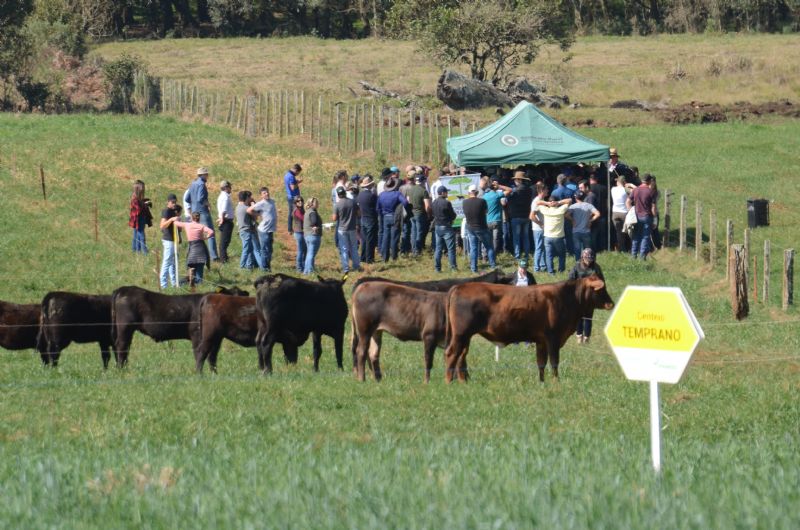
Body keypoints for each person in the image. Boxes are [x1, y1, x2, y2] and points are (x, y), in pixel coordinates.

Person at [167, 211, 214, 285]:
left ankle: (191, 278)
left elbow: (175, 223)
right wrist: (205, 237)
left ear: (192, 218)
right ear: (199, 218)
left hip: (192, 248)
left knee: (192, 266)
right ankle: (198, 282)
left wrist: (175, 218)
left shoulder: (187, 225)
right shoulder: (201, 226)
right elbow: (211, 232)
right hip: (200, 248)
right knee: (199, 270)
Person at [568, 248, 605, 343]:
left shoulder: (596, 267)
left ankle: (587, 338)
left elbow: (602, 281)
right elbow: (570, 281)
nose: (589, 261)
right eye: (587, 259)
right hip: (578, 296)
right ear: (582, 258)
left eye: (591, 259)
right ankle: (579, 336)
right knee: (578, 317)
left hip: (591, 297)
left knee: (588, 318)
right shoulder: (576, 267)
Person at [533, 196, 572, 274]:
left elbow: (537, 202)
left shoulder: (545, 210)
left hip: (547, 237)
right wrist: (558, 202)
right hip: (558, 237)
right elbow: (570, 200)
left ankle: (550, 272)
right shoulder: (561, 210)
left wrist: (547, 203)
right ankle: (561, 270)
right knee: (561, 254)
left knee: (549, 255)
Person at [462, 184, 496, 273]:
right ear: (477, 192)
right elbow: (486, 212)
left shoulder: (464, 202)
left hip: (470, 227)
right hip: (482, 227)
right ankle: (492, 265)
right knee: (489, 247)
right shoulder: (482, 201)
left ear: (468, 193)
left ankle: (474, 268)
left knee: (473, 248)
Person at [188, 167, 218, 262]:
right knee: (210, 233)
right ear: (203, 175)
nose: (207, 176)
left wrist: (193, 205)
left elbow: (187, 198)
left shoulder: (192, 184)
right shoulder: (201, 184)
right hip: (202, 212)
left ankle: (194, 254)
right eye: (206, 174)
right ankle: (214, 256)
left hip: (194, 212)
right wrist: (207, 204)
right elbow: (200, 198)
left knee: (196, 233)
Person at [504, 170, 534, 261]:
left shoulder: (515, 190)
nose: (514, 181)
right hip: (526, 215)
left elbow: (508, 199)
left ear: (519, 180)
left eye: (516, 179)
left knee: (516, 238)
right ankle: (527, 254)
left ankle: (517, 256)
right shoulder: (529, 190)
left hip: (516, 216)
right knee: (526, 237)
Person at [627, 173, 657, 259]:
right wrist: (655, 219)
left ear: (642, 180)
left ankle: (633, 255)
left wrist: (631, 211)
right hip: (647, 216)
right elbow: (653, 207)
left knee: (636, 236)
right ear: (649, 181)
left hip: (637, 216)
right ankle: (642, 256)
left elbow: (628, 202)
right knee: (645, 237)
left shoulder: (635, 190)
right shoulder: (651, 192)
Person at [377, 178, 408, 262]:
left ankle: (385, 257)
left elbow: (378, 208)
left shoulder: (381, 195)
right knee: (394, 237)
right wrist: (399, 207)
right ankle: (394, 256)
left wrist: (382, 214)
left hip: (385, 217)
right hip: (395, 216)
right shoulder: (397, 194)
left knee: (385, 237)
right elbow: (405, 202)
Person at [247, 187, 277, 272]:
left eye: (267, 192)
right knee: (264, 250)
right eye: (264, 193)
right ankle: (264, 269)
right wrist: (257, 214)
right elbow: (249, 210)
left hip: (270, 230)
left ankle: (268, 267)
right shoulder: (261, 203)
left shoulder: (272, 201)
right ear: (261, 195)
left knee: (270, 250)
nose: (267, 194)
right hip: (264, 231)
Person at [333, 185, 361, 273]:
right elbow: (359, 214)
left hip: (342, 229)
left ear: (338, 195)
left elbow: (334, 218)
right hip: (352, 228)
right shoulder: (353, 202)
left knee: (344, 249)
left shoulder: (337, 205)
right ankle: (356, 266)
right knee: (354, 248)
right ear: (345, 193)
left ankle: (346, 268)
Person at [431, 186, 457, 272]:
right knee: (451, 249)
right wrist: (451, 218)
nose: (447, 193)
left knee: (438, 249)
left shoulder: (433, 202)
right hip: (446, 227)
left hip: (437, 227)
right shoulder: (447, 203)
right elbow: (453, 215)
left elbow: (432, 214)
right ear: (442, 193)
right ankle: (453, 268)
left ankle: (437, 268)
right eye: (446, 192)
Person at [568, 190, 600, 260]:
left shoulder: (573, 206)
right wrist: (590, 220)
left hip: (576, 231)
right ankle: (587, 264)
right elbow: (598, 214)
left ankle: (578, 264)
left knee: (577, 250)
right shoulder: (589, 205)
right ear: (584, 197)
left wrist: (572, 220)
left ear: (575, 198)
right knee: (587, 251)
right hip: (586, 231)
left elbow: (566, 215)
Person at [158, 193, 182, 289]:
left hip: (174, 239)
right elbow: (162, 225)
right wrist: (171, 219)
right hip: (168, 240)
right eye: (172, 202)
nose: (174, 204)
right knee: (167, 261)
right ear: (168, 202)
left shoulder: (173, 211)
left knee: (173, 262)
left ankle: (174, 283)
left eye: (175, 202)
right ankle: (163, 284)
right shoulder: (166, 211)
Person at [405, 172, 431, 257]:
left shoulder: (410, 190)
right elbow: (427, 206)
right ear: (423, 181)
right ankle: (418, 250)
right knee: (419, 232)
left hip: (412, 213)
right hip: (420, 214)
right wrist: (429, 214)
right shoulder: (424, 191)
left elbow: (408, 201)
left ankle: (413, 249)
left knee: (413, 232)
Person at [357, 175, 379, 264]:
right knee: (370, 239)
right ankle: (369, 258)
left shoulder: (360, 195)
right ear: (370, 185)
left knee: (364, 239)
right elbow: (377, 207)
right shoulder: (372, 195)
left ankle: (363, 257)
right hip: (371, 219)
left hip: (363, 218)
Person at [235, 191, 258, 270]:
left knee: (249, 249)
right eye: (249, 197)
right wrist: (253, 204)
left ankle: (249, 266)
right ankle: (242, 266)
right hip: (246, 231)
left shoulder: (238, 207)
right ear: (246, 198)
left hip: (242, 230)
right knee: (246, 249)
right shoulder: (246, 208)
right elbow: (255, 216)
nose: (250, 198)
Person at [128, 179, 152, 254]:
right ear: (138, 189)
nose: (144, 189)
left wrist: (146, 201)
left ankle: (136, 250)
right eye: (142, 188)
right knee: (141, 235)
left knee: (136, 234)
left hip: (139, 218)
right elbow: (138, 209)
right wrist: (145, 204)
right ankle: (144, 251)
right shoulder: (134, 198)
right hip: (138, 219)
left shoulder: (138, 197)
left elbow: (141, 203)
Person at [483, 178, 505, 255]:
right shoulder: (497, 194)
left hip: (487, 220)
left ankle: (485, 255)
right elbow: (510, 190)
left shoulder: (484, 196)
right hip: (496, 220)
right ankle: (494, 255)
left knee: (487, 239)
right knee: (495, 239)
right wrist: (499, 186)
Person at [530, 182, 548, 272]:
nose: (548, 191)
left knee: (542, 248)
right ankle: (536, 268)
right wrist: (541, 224)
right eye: (546, 189)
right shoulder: (536, 202)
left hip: (541, 229)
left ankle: (543, 266)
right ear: (542, 190)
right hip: (538, 229)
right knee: (538, 248)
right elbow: (531, 216)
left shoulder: (542, 200)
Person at [611, 175, 631, 252]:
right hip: (624, 213)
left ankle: (622, 249)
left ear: (618, 182)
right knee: (628, 231)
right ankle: (629, 247)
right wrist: (630, 185)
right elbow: (635, 191)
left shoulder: (613, 189)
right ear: (624, 182)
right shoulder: (626, 189)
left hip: (615, 213)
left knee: (618, 232)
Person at [303, 197, 322, 275]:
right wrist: (316, 226)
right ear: (312, 204)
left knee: (309, 253)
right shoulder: (313, 212)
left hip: (307, 235)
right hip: (314, 235)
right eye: (316, 203)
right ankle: (310, 271)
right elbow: (314, 221)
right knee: (311, 254)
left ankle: (306, 270)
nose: (317, 204)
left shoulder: (307, 212)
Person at [216, 180, 234, 263]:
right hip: (226, 221)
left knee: (225, 241)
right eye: (230, 187)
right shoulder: (225, 197)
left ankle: (224, 257)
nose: (231, 188)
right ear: (226, 187)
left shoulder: (222, 196)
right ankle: (223, 259)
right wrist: (222, 219)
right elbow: (223, 210)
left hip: (224, 220)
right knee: (224, 241)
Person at [283, 163, 303, 234]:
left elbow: (291, 184)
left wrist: (297, 181)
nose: (297, 174)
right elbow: (292, 187)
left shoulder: (287, 174)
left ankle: (290, 229)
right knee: (296, 212)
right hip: (294, 197)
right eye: (298, 172)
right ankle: (295, 229)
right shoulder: (291, 176)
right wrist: (299, 183)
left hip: (290, 196)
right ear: (296, 170)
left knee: (291, 213)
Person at [291, 195, 307, 271]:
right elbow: (303, 218)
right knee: (300, 251)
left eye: (301, 200)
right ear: (295, 203)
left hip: (302, 232)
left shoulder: (302, 210)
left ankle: (304, 266)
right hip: (299, 233)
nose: (300, 202)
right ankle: (299, 268)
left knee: (305, 250)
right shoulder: (297, 211)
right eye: (298, 201)